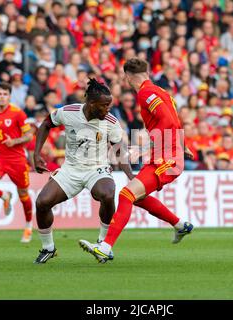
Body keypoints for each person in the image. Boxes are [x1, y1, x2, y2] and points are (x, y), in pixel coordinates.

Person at [79, 58, 194, 263]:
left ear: (128, 77)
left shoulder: (145, 93)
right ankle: (180, 225)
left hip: (166, 157)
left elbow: (167, 121)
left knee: (126, 194)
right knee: (137, 196)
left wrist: (142, 148)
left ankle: (105, 247)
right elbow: (174, 121)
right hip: (165, 153)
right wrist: (183, 146)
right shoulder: (161, 91)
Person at [32, 78, 132, 264]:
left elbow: (118, 148)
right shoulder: (68, 112)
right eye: (105, 105)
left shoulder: (110, 121)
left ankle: (103, 243)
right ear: (92, 104)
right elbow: (46, 124)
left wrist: (130, 175)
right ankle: (48, 248)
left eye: (109, 105)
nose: (108, 109)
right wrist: (37, 154)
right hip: (70, 169)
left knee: (108, 194)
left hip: (97, 168)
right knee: (42, 202)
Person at [0, 83, 34, 243]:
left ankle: (28, 227)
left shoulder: (18, 113)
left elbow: (29, 136)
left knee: (24, 194)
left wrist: (15, 141)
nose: (2, 96)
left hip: (17, 160)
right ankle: (5, 196)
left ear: (9, 96)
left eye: (5, 94)